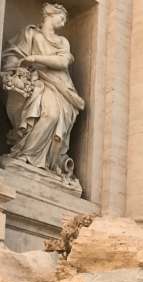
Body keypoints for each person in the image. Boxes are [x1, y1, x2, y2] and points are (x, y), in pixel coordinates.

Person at [1, 3, 85, 183]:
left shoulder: (63, 42)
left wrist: (34, 58)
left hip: (60, 87)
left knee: (53, 115)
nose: (63, 23)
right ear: (50, 14)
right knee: (47, 114)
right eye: (61, 18)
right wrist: (13, 72)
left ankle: (44, 161)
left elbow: (62, 62)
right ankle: (25, 155)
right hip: (36, 83)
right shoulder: (31, 34)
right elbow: (13, 55)